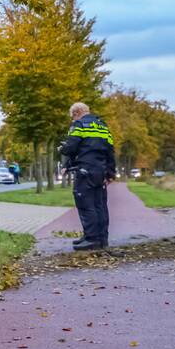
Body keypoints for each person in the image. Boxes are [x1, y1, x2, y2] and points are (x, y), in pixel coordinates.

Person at [58, 102, 116, 250]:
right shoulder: (103, 126)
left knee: (85, 204)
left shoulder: (79, 125)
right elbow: (110, 150)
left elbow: (71, 148)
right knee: (99, 205)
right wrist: (110, 172)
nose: (72, 120)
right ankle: (102, 238)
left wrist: (62, 149)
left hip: (85, 170)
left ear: (76, 113)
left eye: (72, 117)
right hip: (100, 171)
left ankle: (91, 239)